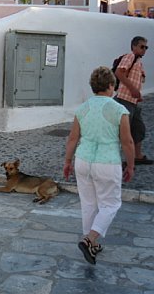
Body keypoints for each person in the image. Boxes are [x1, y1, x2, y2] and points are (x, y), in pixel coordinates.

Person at [63, 66, 135, 265]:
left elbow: (72, 138)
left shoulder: (82, 108)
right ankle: (90, 239)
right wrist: (130, 166)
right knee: (111, 204)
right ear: (111, 85)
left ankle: (91, 243)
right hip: (107, 162)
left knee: (88, 203)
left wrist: (67, 161)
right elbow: (127, 142)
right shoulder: (119, 110)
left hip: (83, 160)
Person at [114, 36, 152, 165]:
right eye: (142, 46)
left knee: (138, 129)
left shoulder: (138, 62)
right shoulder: (130, 57)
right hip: (124, 100)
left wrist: (137, 94)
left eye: (146, 47)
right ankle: (124, 160)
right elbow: (119, 73)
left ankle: (138, 156)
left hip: (133, 102)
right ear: (134, 46)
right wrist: (133, 89)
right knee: (124, 131)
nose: (144, 49)